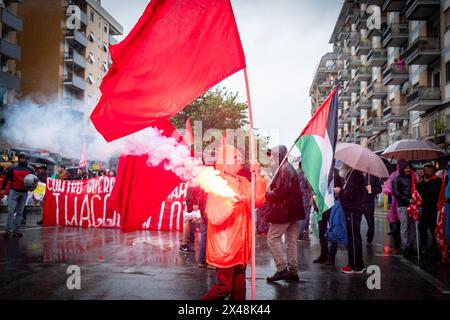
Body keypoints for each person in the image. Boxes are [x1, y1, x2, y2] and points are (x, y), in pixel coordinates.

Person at [202, 144, 266, 300]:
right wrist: (231, 204)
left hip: (241, 247)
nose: (240, 160)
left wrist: (256, 175)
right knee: (224, 287)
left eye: (240, 156)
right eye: (235, 157)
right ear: (225, 161)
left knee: (239, 289)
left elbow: (257, 201)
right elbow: (214, 216)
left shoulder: (243, 181)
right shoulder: (217, 182)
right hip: (225, 248)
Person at [264, 145, 305, 282]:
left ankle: (282, 268)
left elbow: (281, 192)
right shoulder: (287, 167)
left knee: (272, 238)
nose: (272, 158)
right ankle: (293, 271)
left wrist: (267, 194)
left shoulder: (284, 169)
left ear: (278, 155)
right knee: (291, 241)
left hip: (285, 211)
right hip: (292, 211)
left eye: (273, 155)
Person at [334, 163, 367, 274]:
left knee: (354, 238)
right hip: (351, 209)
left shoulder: (355, 174)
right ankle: (353, 263)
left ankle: (356, 266)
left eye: (343, 163)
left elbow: (352, 193)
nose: (342, 165)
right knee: (353, 237)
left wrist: (340, 191)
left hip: (353, 210)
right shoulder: (352, 174)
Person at [1, 153, 36, 239]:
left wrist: (33, 189)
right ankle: (8, 231)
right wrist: (2, 188)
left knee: (20, 212)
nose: (21, 159)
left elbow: (35, 180)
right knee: (11, 211)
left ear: (25, 158)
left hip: (24, 192)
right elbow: (6, 178)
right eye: (20, 157)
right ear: (18, 158)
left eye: (23, 157)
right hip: (14, 191)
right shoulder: (13, 168)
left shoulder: (30, 169)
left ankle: (17, 230)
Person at [313, 166, 343, 265]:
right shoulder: (318, 171)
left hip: (332, 207)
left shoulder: (337, 172)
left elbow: (342, 189)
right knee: (322, 232)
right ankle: (323, 254)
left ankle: (331, 257)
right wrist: (314, 194)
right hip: (321, 207)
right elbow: (314, 186)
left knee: (333, 232)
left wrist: (336, 193)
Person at [392, 161, 416, 257]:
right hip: (403, 206)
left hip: (414, 206)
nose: (408, 169)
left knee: (413, 227)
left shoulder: (414, 179)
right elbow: (396, 193)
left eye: (409, 167)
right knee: (404, 226)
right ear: (402, 169)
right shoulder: (397, 179)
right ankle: (405, 247)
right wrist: (408, 200)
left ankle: (410, 246)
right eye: (406, 168)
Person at [417, 163, 441, 252]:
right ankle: (423, 245)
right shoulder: (423, 181)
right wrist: (421, 182)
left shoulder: (438, 181)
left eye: (427, 170)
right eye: (424, 170)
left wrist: (426, 184)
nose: (425, 172)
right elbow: (419, 192)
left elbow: (433, 193)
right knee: (422, 227)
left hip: (434, 208)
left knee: (433, 228)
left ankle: (436, 245)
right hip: (425, 209)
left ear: (432, 171)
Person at [363, 174, 382, 247]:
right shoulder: (356, 174)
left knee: (370, 224)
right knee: (355, 224)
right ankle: (354, 239)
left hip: (369, 203)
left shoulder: (374, 176)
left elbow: (379, 189)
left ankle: (369, 239)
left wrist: (371, 189)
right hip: (358, 203)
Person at [297, 161, 313, 241]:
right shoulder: (306, 175)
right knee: (304, 216)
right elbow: (310, 186)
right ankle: (300, 235)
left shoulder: (295, 173)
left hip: (297, 198)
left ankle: (301, 231)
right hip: (306, 198)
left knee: (299, 216)